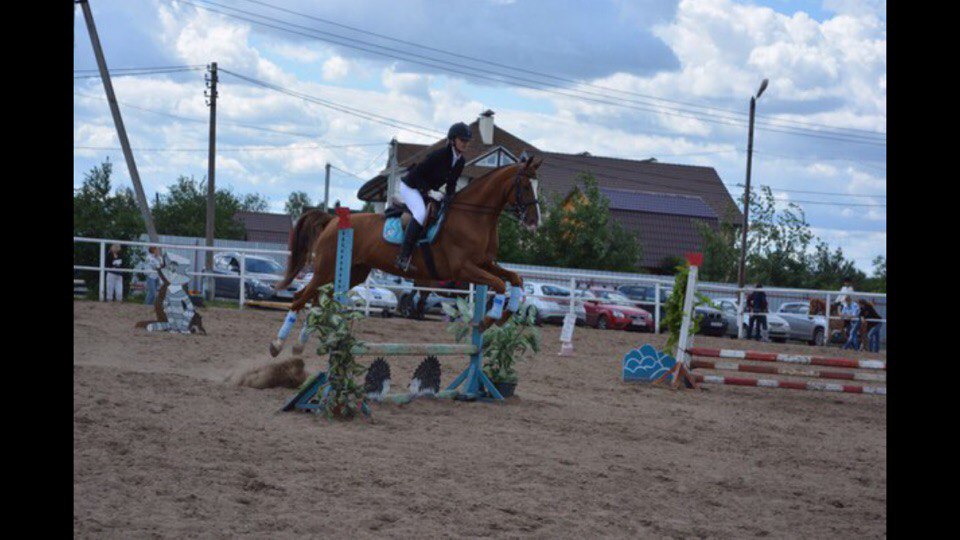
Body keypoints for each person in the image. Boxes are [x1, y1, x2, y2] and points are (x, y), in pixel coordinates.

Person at [395, 122, 470, 272]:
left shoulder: (461, 161)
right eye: (462, 140)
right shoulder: (439, 155)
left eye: (467, 141)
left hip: (428, 191)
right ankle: (403, 257)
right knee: (420, 214)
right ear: (453, 140)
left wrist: (450, 198)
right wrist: (429, 191)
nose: (465, 143)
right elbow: (416, 174)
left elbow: (451, 184)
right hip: (411, 186)